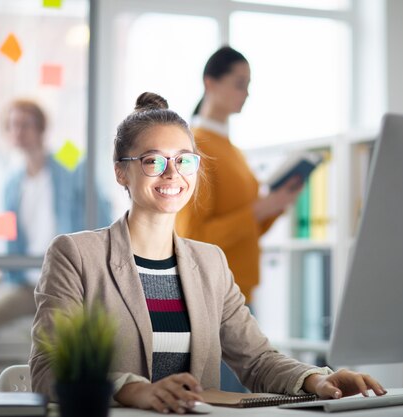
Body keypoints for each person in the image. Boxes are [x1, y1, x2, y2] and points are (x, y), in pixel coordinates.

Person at [29, 92, 386, 414]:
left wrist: (317, 380)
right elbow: (48, 370)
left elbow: (258, 361)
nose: (173, 174)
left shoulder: (210, 261)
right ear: (122, 172)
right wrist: (135, 390)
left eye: (184, 161)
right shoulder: (76, 255)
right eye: (154, 161)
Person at [175, 45, 304, 392]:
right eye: (239, 83)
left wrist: (275, 206)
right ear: (210, 83)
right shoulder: (196, 147)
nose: (245, 93)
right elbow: (192, 236)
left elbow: (247, 230)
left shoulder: (231, 149)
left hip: (240, 291)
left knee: (244, 395)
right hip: (210, 295)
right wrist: (259, 210)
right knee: (231, 399)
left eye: (248, 84)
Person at [0, 99, 111, 392]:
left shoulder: (68, 164)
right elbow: (11, 244)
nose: (19, 132)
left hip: (63, 282)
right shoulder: (11, 182)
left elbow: (103, 213)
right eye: (13, 125)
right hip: (23, 283)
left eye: (26, 124)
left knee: (69, 341)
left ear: (41, 129)